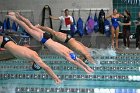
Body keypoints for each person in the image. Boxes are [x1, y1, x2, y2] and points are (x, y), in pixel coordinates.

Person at [7, 12, 94, 74]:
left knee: (30, 27)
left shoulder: (69, 52)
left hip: (47, 38)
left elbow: (78, 61)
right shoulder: (68, 55)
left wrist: (87, 68)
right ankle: (15, 18)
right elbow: (76, 62)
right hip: (44, 40)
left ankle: (18, 16)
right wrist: (86, 69)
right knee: (28, 28)